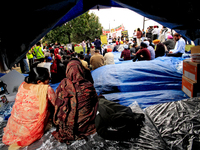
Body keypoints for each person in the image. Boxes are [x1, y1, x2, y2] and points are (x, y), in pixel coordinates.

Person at [3, 67, 56, 149]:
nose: (49, 80)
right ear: (39, 82)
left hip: (14, 127)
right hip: (31, 130)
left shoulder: (22, 85)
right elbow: (55, 104)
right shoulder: (46, 89)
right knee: (50, 109)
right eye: (48, 79)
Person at [52, 58, 98, 144]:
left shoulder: (62, 86)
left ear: (67, 70)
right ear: (81, 69)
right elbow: (95, 102)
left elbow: (57, 104)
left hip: (66, 126)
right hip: (85, 126)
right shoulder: (88, 86)